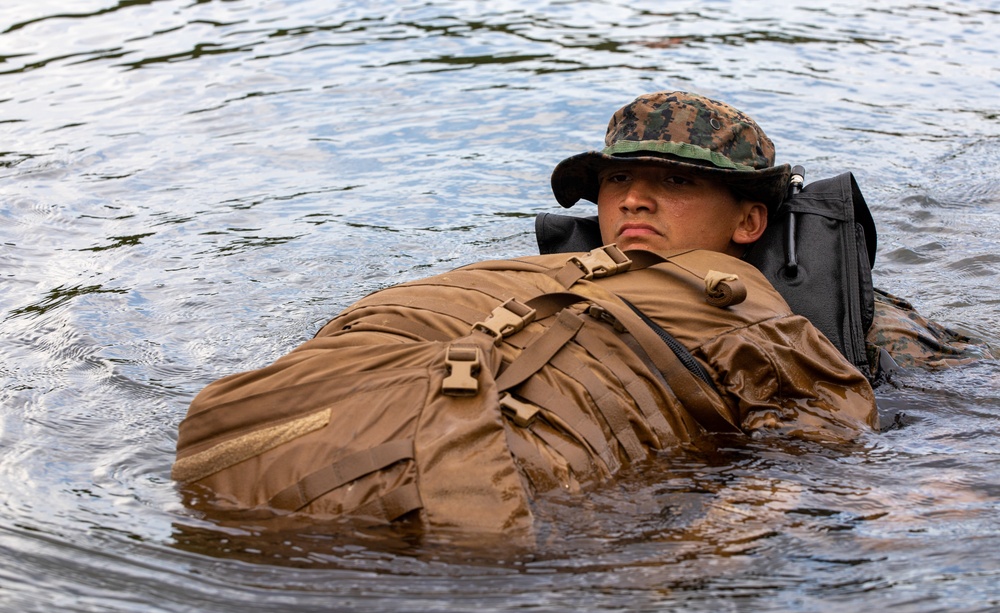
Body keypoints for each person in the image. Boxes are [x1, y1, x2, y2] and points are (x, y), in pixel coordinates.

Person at [173, 91, 882, 537]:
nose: (633, 199)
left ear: (750, 220)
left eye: (674, 182)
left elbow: (829, 437)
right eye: (617, 181)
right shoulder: (530, 280)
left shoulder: (802, 317)